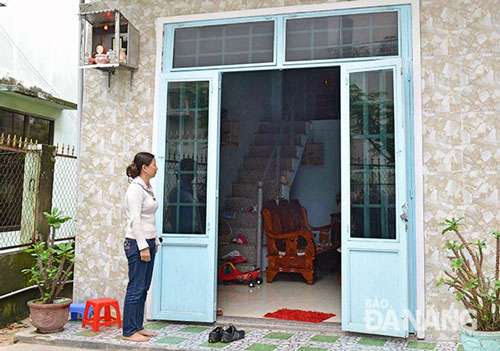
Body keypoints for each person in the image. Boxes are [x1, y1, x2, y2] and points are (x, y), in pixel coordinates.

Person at [123, 152, 160, 342]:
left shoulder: (147, 187)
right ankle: (129, 331)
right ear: (144, 167)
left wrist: (155, 241)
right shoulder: (135, 189)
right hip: (137, 245)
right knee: (135, 288)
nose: (156, 167)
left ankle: (138, 326)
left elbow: (149, 219)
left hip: (148, 242)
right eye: (154, 164)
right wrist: (143, 246)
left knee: (144, 287)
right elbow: (135, 221)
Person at [166, 158, 205, 233]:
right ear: (182, 171)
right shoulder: (176, 191)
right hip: (183, 234)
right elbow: (172, 217)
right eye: (189, 169)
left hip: (195, 232)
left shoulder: (193, 190)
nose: (192, 173)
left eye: (194, 169)